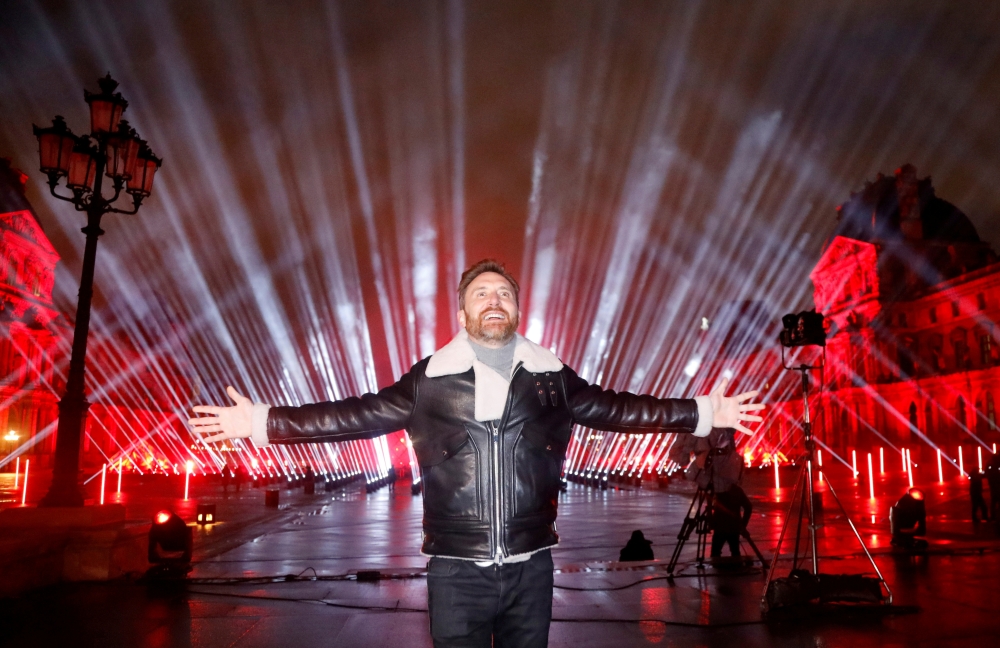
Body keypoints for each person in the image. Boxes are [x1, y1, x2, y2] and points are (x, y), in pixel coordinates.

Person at [189, 259, 764, 648]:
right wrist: (261, 422)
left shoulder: (550, 378)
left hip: (532, 565)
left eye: (504, 293)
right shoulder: (430, 382)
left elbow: (620, 408)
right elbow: (351, 416)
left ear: (517, 312)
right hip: (456, 570)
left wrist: (705, 412)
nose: (495, 299)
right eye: (481, 293)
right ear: (462, 315)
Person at [710, 484, 753, 558]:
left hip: (720, 526)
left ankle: (718, 567)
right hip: (733, 526)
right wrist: (743, 525)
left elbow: (748, 507)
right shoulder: (736, 490)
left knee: (715, 553)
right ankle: (736, 567)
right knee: (735, 551)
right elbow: (748, 506)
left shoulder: (718, 489)